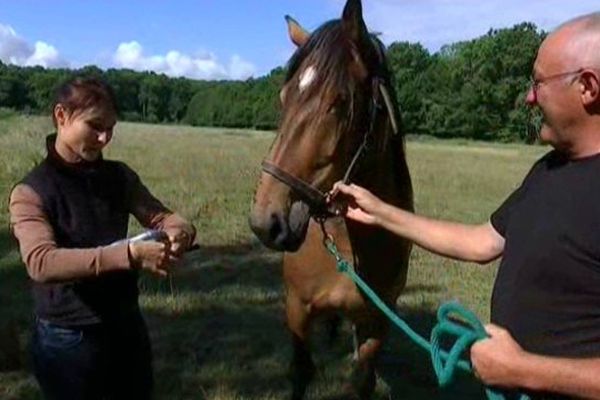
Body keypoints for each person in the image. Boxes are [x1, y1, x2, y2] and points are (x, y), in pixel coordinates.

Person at [330, 12, 600, 399]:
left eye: (539, 83)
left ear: (587, 86)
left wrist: (525, 370)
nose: (529, 97)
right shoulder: (550, 168)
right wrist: (379, 211)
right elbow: (481, 242)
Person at [9, 77, 196, 399]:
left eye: (111, 128)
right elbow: (41, 263)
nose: (104, 138)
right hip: (68, 336)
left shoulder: (119, 177)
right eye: (95, 126)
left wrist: (181, 233)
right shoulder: (31, 191)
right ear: (61, 115)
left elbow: (165, 218)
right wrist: (131, 255)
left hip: (125, 324)